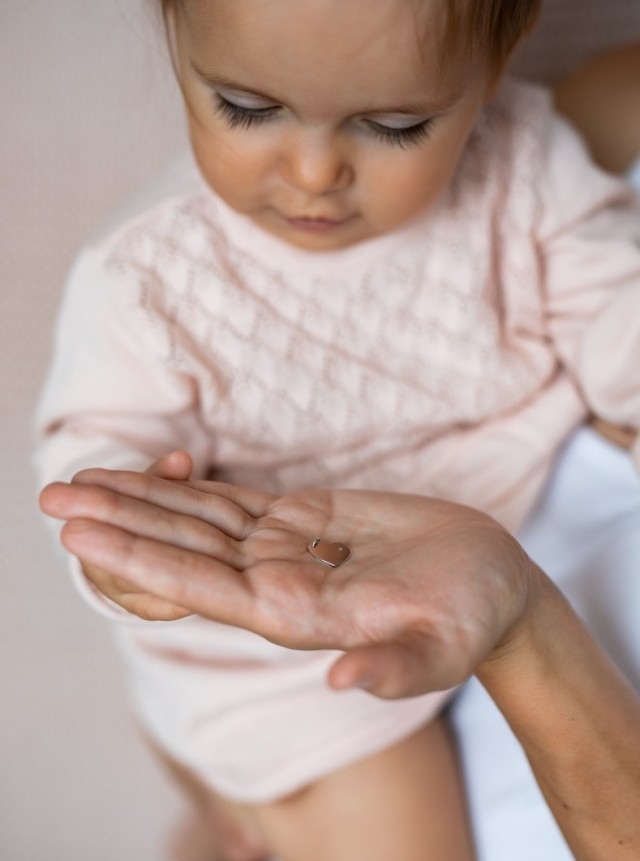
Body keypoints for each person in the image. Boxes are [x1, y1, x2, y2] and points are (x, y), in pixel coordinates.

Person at [35, 0, 640, 857]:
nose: (314, 172)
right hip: (289, 662)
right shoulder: (149, 277)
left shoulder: (529, 169)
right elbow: (96, 450)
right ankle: (238, 809)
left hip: (488, 549)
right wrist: (132, 537)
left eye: (394, 126)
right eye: (246, 109)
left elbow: (614, 302)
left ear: (493, 74)